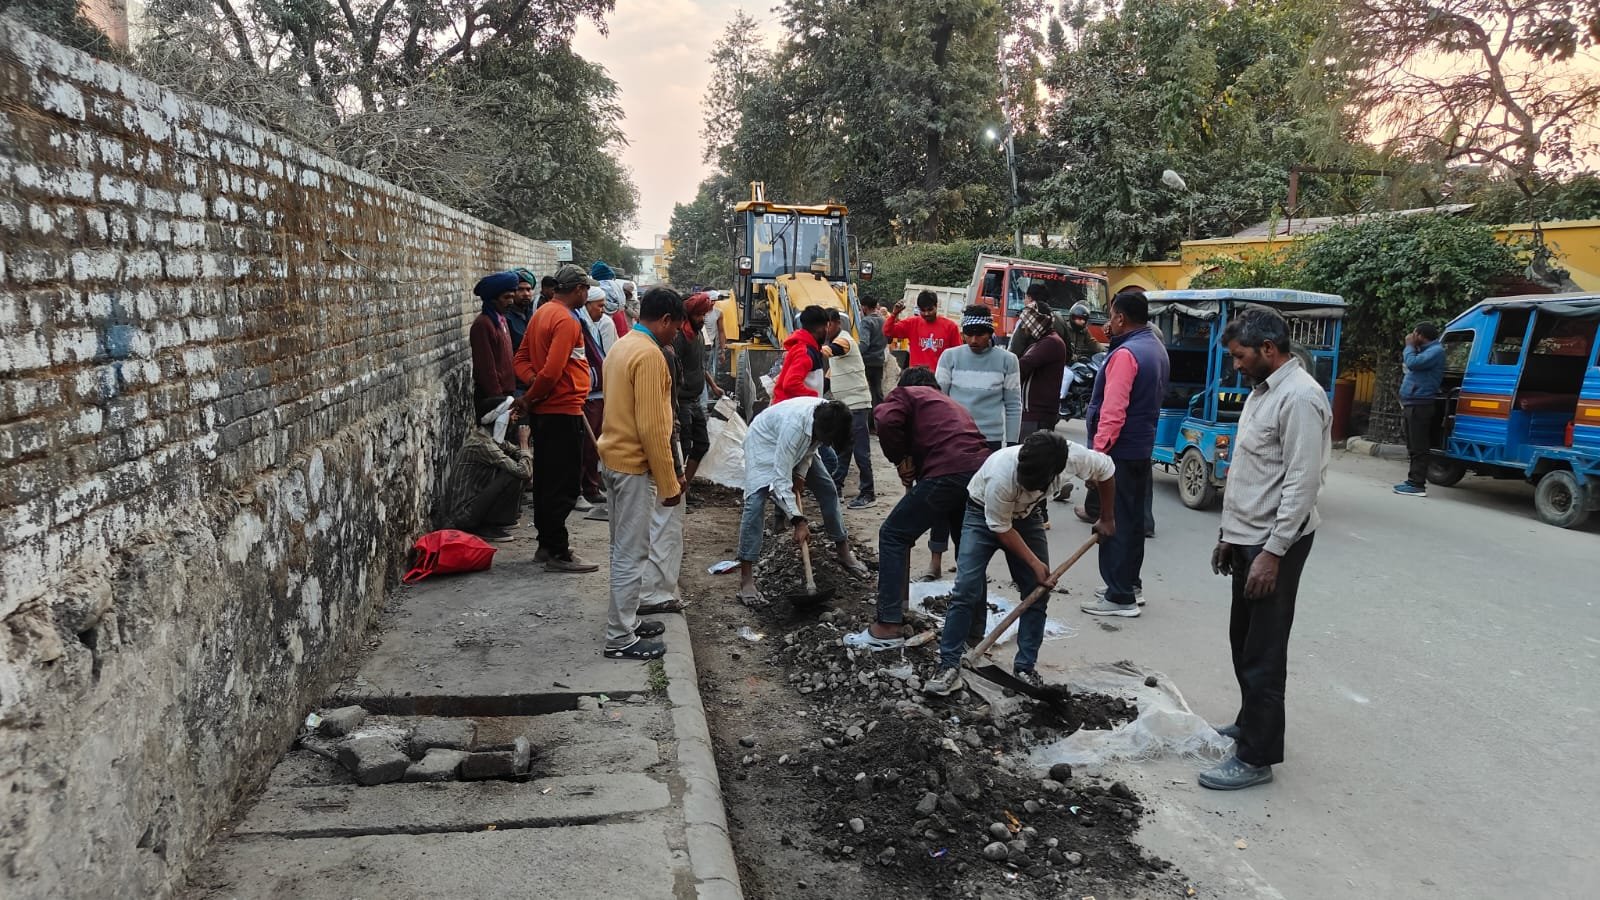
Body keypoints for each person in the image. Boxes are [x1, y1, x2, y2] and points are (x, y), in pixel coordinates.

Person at [1201, 307, 1330, 791]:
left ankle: (1257, 757)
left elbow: (1301, 483)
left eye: (1240, 356)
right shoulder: (1263, 392)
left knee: (1264, 652)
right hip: (1248, 537)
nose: (1235, 365)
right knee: (1243, 640)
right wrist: (1229, 534)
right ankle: (1248, 722)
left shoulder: (1300, 398)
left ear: (1269, 350)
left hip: (1276, 543)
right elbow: (1251, 470)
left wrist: (1272, 553)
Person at [925, 431, 1116, 695]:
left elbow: (1106, 470)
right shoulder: (1001, 475)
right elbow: (1001, 529)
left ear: (1056, 473)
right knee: (966, 588)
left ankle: (1025, 668)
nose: (1026, 486)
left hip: (1027, 516)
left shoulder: (1074, 458)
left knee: (1037, 593)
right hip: (981, 514)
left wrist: (1107, 517)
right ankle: (948, 664)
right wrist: (1035, 563)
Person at [843, 366, 991, 650]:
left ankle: (887, 626)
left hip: (947, 471)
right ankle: (972, 633)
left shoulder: (908, 393)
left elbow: (885, 418)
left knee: (893, 535)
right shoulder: (950, 404)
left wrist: (900, 457)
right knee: (969, 550)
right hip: (980, 473)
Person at [597, 287, 689, 661]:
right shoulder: (650, 356)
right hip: (633, 467)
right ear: (665, 320)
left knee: (622, 549)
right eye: (676, 327)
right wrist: (669, 482)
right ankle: (620, 637)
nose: (676, 335)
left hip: (613, 459)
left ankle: (628, 620)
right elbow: (653, 427)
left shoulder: (623, 345)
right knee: (632, 554)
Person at [1078, 289, 1168, 617]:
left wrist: (1098, 457)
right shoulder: (1155, 347)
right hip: (1141, 447)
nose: (1110, 322)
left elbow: (1113, 412)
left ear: (1120, 317)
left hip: (1120, 451)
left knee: (1113, 520)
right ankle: (1129, 585)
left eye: (1111, 315)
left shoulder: (1126, 354)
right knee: (1132, 521)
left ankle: (1119, 596)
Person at [734, 397, 870, 607]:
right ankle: (746, 580)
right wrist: (798, 521)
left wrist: (801, 475)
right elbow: (780, 480)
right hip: (764, 441)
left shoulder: (832, 416)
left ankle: (844, 552)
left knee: (827, 489)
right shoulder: (796, 427)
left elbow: (811, 447)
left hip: (796, 442)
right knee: (755, 502)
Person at [514, 264, 600, 572]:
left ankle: (546, 545)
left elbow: (520, 360)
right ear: (578, 289)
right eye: (586, 289)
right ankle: (558, 551)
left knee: (547, 482)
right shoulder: (566, 320)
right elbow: (552, 372)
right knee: (563, 486)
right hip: (562, 410)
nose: (587, 294)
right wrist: (533, 394)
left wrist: (532, 388)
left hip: (549, 410)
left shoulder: (541, 314)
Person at [442, 396, 533, 541]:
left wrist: (523, 452)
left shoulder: (490, 438)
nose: (515, 419)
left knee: (519, 463)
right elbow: (523, 471)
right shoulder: (482, 443)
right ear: (500, 418)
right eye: (512, 414)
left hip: (470, 507)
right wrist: (524, 443)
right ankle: (485, 524)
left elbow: (514, 451)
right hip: (463, 515)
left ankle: (500, 519)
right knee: (514, 474)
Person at [935, 305, 1022, 449]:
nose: (974, 340)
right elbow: (939, 400)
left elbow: (1013, 405)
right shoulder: (949, 357)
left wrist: (1012, 442)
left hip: (990, 440)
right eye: (969, 334)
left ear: (990, 333)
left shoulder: (1008, 360)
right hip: (955, 436)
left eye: (980, 334)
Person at [821, 310, 876, 508]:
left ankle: (868, 493)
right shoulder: (835, 353)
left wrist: (808, 347)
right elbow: (828, 379)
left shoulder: (845, 341)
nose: (825, 329)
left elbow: (834, 349)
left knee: (861, 452)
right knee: (843, 450)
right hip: (845, 407)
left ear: (837, 323)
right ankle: (836, 487)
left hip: (858, 405)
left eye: (827, 324)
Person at [674, 292, 722, 484]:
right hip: (682, 401)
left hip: (694, 399)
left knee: (702, 444)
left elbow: (700, 366)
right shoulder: (680, 338)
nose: (702, 319)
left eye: (703, 315)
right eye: (698, 315)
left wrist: (713, 386)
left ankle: (685, 486)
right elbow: (673, 370)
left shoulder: (698, 335)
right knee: (683, 447)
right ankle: (678, 489)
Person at [578, 286, 619, 508]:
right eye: (599, 306)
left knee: (595, 443)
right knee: (587, 444)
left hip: (599, 390)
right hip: (589, 393)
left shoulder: (594, 324)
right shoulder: (581, 324)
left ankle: (591, 485)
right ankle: (585, 487)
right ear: (587, 305)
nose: (602, 310)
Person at [1395, 322, 1444, 497]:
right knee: (1412, 444)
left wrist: (1409, 346)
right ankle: (1412, 481)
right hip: (1412, 402)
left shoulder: (1436, 351)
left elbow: (1413, 363)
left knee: (1419, 446)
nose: (1411, 336)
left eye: (1414, 333)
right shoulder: (1424, 350)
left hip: (1421, 404)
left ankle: (1417, 484)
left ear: (1421, 335)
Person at [1016, 298, 1068, 440]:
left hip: (1037, 416)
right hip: (1035, 415)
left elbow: (1022, 366)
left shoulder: (1051, 342)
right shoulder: (1044, 341)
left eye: (1027, 323)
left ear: (1036, 323)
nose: (1023, 328)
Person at [469, 271, 519, 403]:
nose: (511, 302)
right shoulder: (483, 324)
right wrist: (499, 400)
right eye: (506, 297)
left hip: (507, 394)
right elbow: (486, 368)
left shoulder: (501, 320)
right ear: (493, 299)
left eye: (512, 297)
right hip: (494, 397)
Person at [886, 290, 961, 371]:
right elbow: (887, 331)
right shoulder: (911, 324)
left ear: (936, 306)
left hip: (939, 376)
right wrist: (894, 314)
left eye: (930, 310)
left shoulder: (950, 327)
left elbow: (958, 355)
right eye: (923, 310)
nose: (926, 313)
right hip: (916, 376)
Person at [773, 305, 830, 402]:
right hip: (792, 409)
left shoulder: (809, 350)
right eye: (826, 327)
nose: (827, 331)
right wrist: (815, 398)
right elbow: (791, 384)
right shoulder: (804, 352)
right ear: (819, 329)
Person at [858, 296, 888, 408]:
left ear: (864, 308)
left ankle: (868, 416)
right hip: (879, 361)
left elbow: (864, 344)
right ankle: (880, 413)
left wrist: (855, 354)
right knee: (877, 391)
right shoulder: (883, 321)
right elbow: (888, 339)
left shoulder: (866, 321)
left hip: (866, 362)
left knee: (865, 392)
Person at [506, 270, 537, 363]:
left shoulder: (534, 314)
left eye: (528, 289)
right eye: (520, 289)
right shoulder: (505, 318)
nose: (526, 294)